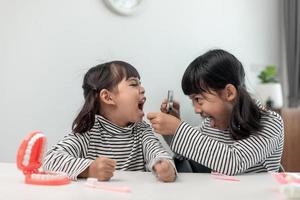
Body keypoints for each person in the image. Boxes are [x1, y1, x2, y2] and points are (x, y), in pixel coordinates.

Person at [147, 49, 284, 175]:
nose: (196, 109)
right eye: (192, 101)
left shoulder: (270, 123)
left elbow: (233, 162)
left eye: (199, 99)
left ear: (229, 93)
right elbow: (186, 153)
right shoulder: (210, 125)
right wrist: (171, 130)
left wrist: (177, 128)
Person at [43, 61, 176, 182]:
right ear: (108, 97)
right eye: (134, 84)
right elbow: (50, 160)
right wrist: (89, 169)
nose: (142, 89)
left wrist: (164, 165)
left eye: (140, 84)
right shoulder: (89, 131)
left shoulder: (142, 130)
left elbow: (157, 153)